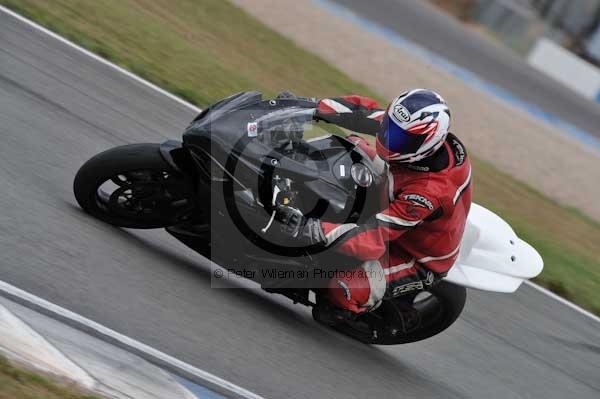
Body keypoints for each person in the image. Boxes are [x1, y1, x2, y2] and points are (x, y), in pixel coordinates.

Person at [276, 89, 472, 322]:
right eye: (390, 127)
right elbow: (362, 112)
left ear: (427, 145)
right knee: (349, 146)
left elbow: (373, 237)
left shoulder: (428, 193)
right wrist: (309, 106)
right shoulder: (409, 132)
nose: (389, 138)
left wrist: (310, 228)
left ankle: (350, 311)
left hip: (413, 255)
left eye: (399, 139)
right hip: (394, 189)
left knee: (344, 287)